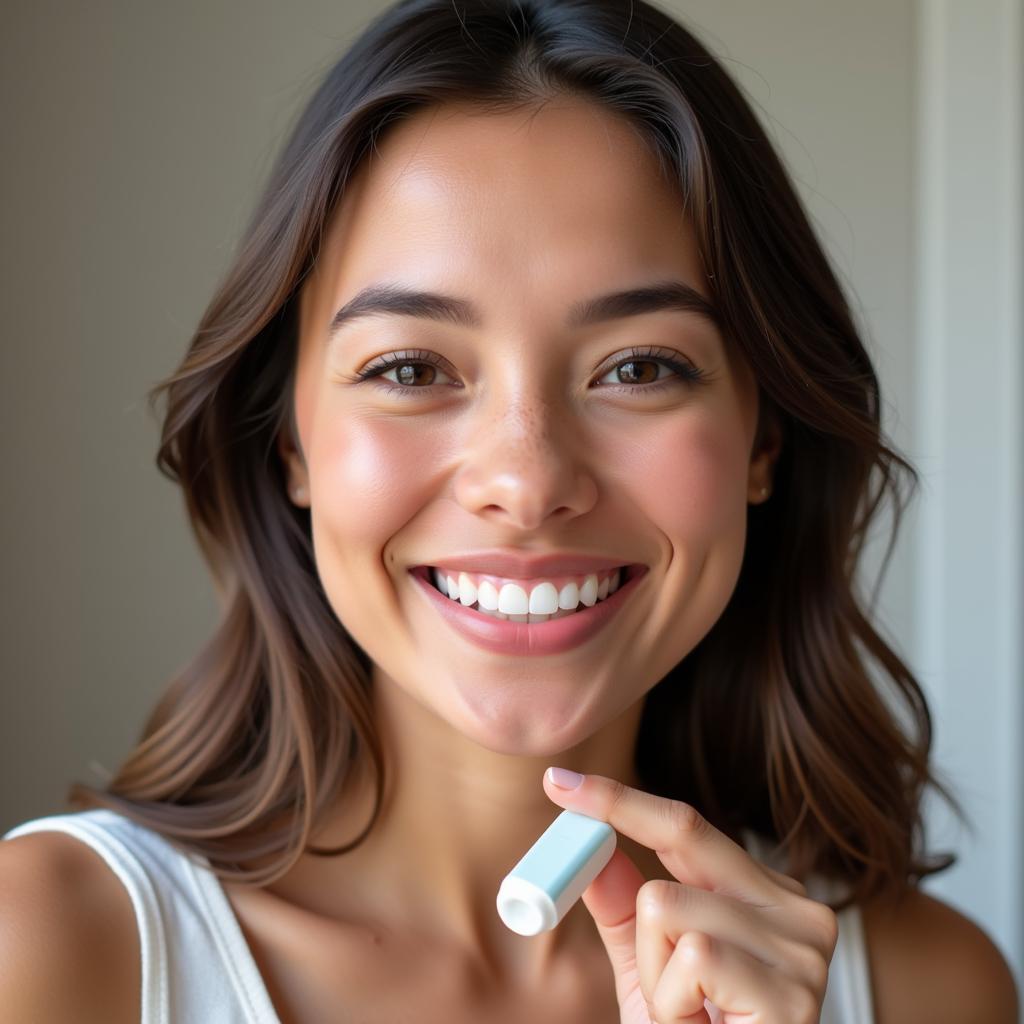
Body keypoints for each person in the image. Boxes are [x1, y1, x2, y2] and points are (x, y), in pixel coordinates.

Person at [1, 0, 1019, 1021]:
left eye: (638, 367)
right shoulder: (51, 950)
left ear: (763, 439)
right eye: (409, 367)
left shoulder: (930, 989)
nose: (527, 482)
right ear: (291, 441)